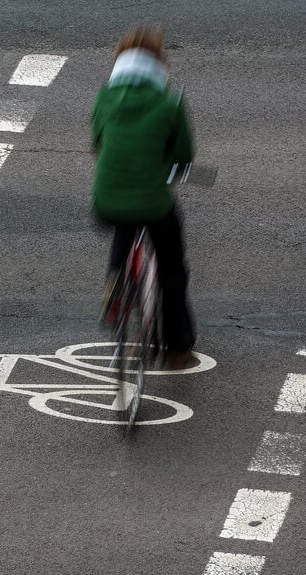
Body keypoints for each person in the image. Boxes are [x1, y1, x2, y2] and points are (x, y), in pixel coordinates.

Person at [91, 25, 196, 366]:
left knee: (125, 221)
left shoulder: (104, 96)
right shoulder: (169, 101)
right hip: (152, 202)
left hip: (107, 200)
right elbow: (183, 155)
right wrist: (173, 167)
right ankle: (178, 345)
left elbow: (97, 142)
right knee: (171, 267)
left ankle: (115, 287)